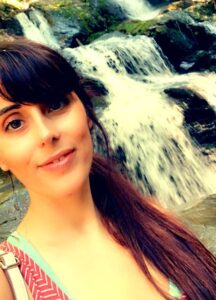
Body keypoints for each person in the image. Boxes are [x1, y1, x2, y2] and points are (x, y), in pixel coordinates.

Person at [0, 37, 215, 300]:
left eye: (55, 105)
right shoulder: (9, 281)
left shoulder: (155, 221)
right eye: (14, 124)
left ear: (86, 113)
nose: (46, 134)